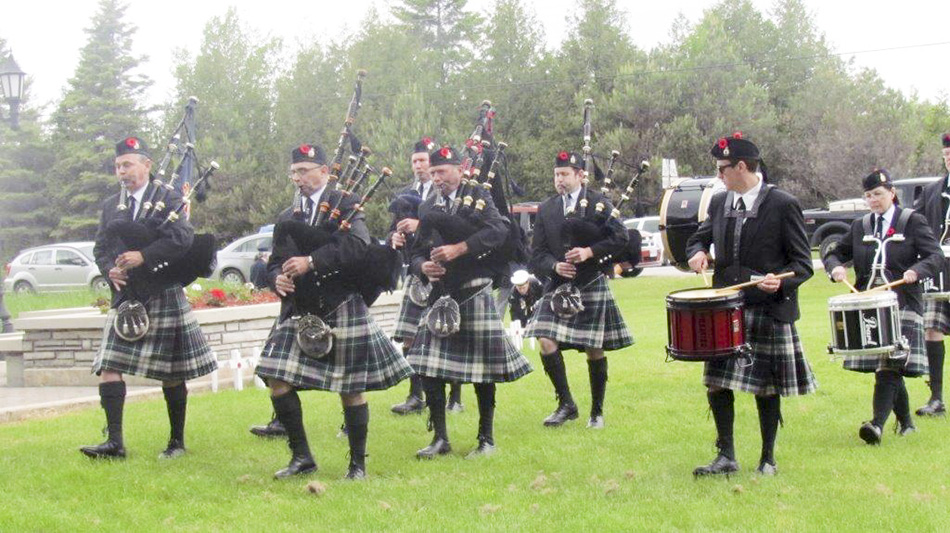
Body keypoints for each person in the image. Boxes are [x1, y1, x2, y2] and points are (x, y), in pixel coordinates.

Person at [253, 143, 413, 479]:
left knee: (350, 386)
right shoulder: (288, 216)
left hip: (339, 303)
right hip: (299, 309)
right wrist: (276, 278)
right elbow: (274, 261)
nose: (298, 178)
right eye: (294, 172)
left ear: (324, 171)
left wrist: (311, 261)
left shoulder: (347, 204)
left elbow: (357, 246)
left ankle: (357, 465)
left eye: (304, 171)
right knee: (275, 377)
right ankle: (301, 458)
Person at [686, 133, 816, 476]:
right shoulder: (718, 202)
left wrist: (781, 280)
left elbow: (802, 264)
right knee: (716, 382)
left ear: (741, 167)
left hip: (767, 309)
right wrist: (697, 251)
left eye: (722, 169)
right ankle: (726, 456)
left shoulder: (783, 203)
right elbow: (700, 236)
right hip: (726, 309)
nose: (718, 176)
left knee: (766, 386)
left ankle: (767, 459)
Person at [81, 136, 217, 460]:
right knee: (108, 365)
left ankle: (176, 443)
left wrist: (145, 255)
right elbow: (101, 247)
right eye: (117, 166)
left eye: (127, 164)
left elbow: (182, 238)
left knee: (171, 372)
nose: (121, 172)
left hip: (162, 289)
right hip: (127, 295)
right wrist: (108, 271)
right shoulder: (111, 205)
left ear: (146, 165)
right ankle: (114, 443)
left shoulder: (168, 197)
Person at [407, 144, 532, 459]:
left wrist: (460, 248)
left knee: (483, 369)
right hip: (441, 293)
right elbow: (416, 251)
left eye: (442, 172)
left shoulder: (479, 195)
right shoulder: (428, 206)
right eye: (433, 173)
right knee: (428, 368)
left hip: (474, 288)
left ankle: (486, 438)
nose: (437, 178)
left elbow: (500, 231)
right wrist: (424, 266)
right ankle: (440, 438)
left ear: (458, 170)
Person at [825, 168, 943, 444]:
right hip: (869, 305)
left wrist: (917, 270)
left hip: (903, 302)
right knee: (888, 362)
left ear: (891, 193)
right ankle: (908, 424)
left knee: (889, 364)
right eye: (868, 196)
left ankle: (876, 425)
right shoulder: (861, 226)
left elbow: (935, 256)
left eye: (878, 194)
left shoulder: (911, 221)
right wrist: (836, 269)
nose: (873, 200)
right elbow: (834, 254)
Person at [525, 151, 633, 429]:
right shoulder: (547, 208)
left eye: (564, 174)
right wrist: (554, 266)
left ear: (580, 176)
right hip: (558, 284)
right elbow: (536, 253)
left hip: (589, 281)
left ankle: (596, 412)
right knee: (545, 339)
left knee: (593, 348)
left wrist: (589, 251)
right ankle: (566, 404)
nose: (559, 180)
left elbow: (621, 237)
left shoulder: (598, 203)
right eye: (556, 174)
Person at [389, 137, 464, 415]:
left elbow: (454, 226)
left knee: (448, 330)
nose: (419, 166)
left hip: (446, 270)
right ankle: (415, 395)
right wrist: (395, 235)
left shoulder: (447, 192)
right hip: (417, 268)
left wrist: (420, 224)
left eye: (424, 161)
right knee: (410, 335)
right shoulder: (404, 193)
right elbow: (391, 229)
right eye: (415, 161)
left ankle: (455, 397)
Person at [912, 133, 950, 416]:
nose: (949, 160)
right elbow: (917, 226)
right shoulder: (933, 191)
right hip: (940, 273)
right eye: (947, 155)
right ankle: (936, 399)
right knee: (932, 329)